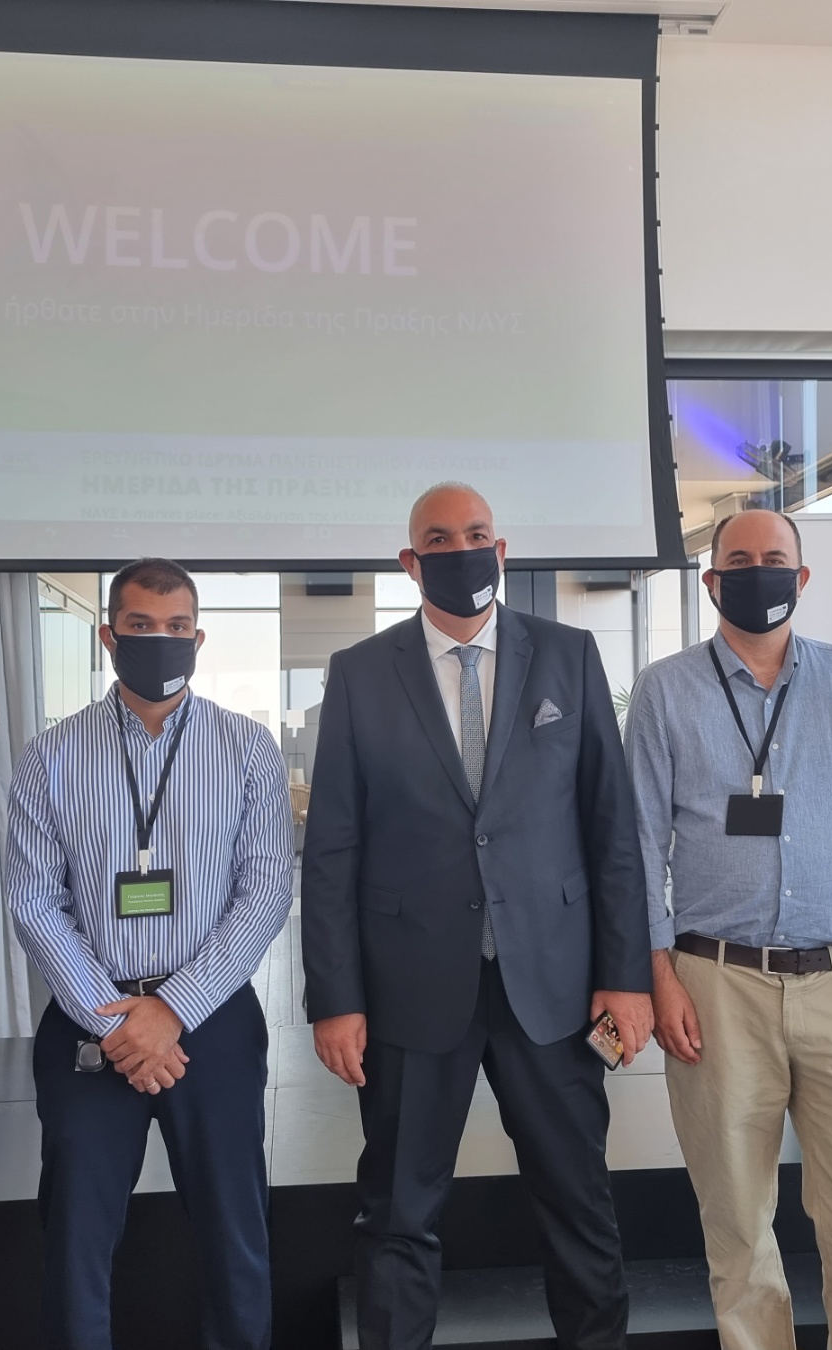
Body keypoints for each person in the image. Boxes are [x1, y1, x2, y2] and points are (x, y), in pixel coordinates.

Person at [303, 482, 653, 1350]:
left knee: (579, 1201)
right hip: (411, 990)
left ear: (501, 550)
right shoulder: (360, 673)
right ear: (409, 561)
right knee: (397, 1212)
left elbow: (611, 830)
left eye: (476, 534)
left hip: (553, 988)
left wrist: (626, 977)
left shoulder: (569, 655)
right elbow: (333, 849)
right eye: (438, 538)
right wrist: (335, 999)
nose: (460, 550)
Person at [626, 508, 832, 1350]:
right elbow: (637, 846)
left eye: (774, 559)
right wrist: (658, 977)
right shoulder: (666, 690)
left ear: (801, 578)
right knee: (737, 1216)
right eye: (739, 560)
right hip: (714, 981)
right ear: (711, 581)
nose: (757, 572)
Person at [6, 557, 292, 1350]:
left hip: (213, 1021)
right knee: (76, 1238)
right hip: (90, 1023)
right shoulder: (51, 756)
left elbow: (266, 891)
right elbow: (35, 903)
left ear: (197, 639)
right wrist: (118, 1023)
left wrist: (171, 1010)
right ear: (109, 636)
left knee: (235, 1231)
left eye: (176, 627)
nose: (159, 639)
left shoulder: (247, 749)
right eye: (140, 626)